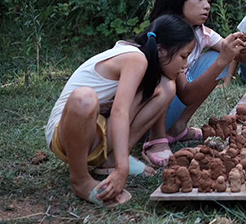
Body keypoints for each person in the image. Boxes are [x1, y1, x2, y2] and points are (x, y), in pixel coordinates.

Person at [44, 14, 195, 206]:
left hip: (96, 131)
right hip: (66, 134)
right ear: (160, 51)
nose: (186, 64)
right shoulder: (135, 58)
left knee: (166, 87)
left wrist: (120, 162)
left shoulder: (144, 61)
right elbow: (119, 112)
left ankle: (110, 159)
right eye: (183, 56)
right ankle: (80, 179)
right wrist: (122, 169)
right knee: (84, 99)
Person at [145, 0, 246, 165]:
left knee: (216, 55)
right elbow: (186, 94)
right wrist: (223, 60)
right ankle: (156, 139)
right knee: (166, 77)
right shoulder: (164, 35)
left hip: (173, 103)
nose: (207, 6)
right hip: (146, 117)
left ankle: (178, 127)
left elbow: (244, 59)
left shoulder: (202, 32)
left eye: (209, 1)